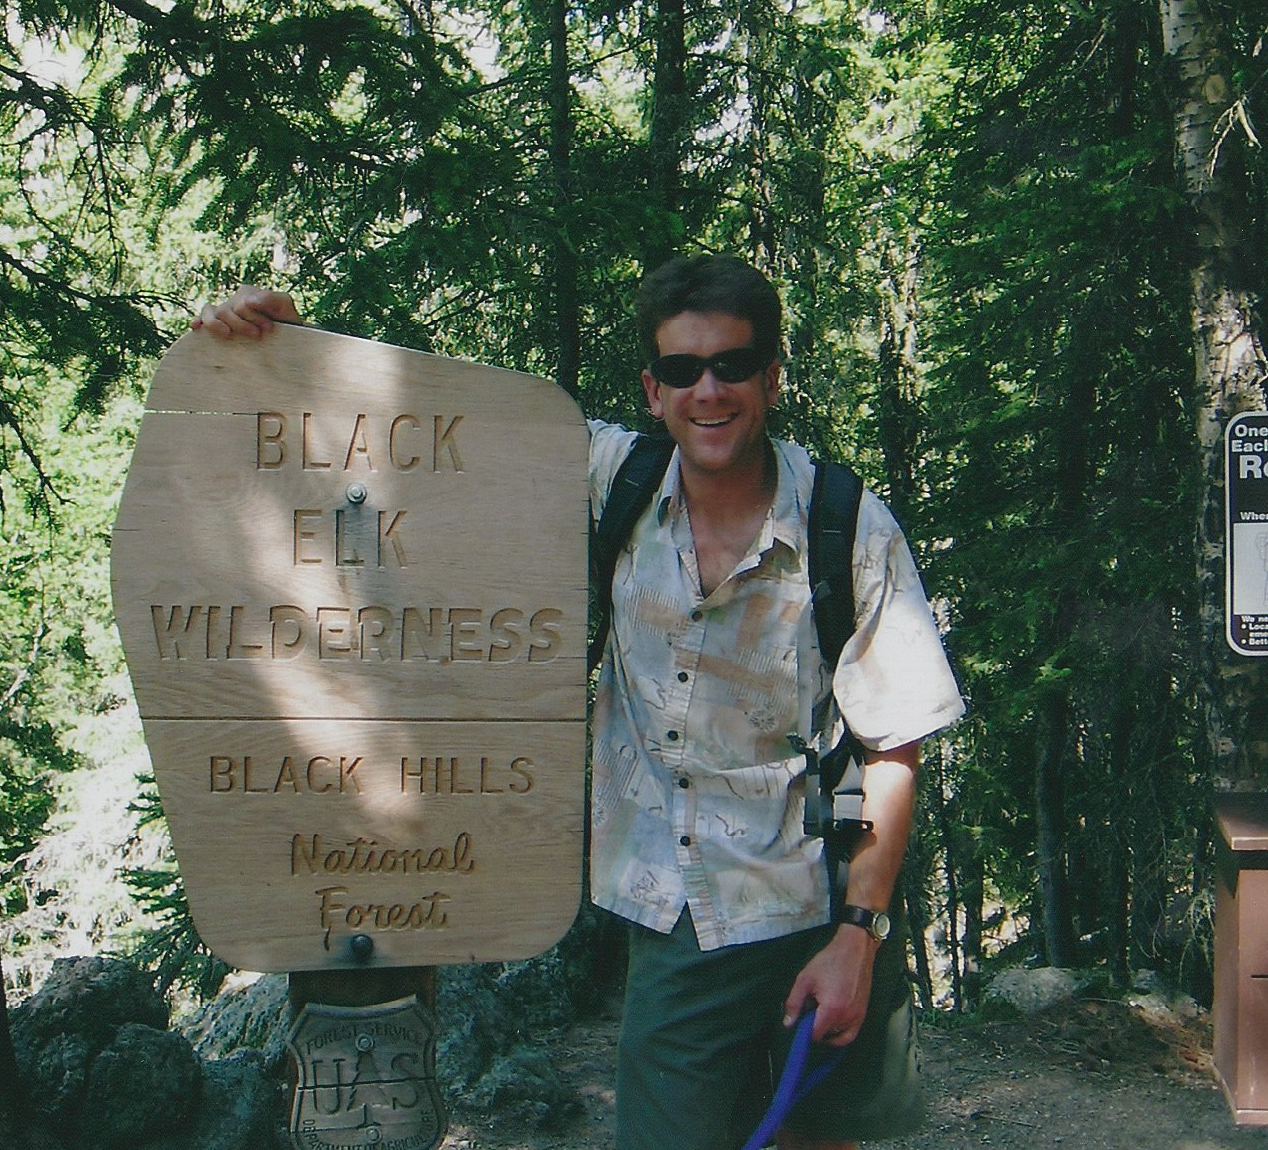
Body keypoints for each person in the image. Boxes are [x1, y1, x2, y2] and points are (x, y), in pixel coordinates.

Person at [192, 254, 964, 1150]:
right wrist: (296, 345)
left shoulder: (845, 523)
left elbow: (893, 746)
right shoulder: (614, 479)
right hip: (682, 917)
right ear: (651, 388)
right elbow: (435, 423)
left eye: (731, 365)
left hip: (825, 899)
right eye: (681, 370)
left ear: (770, 377)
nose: (707, 391)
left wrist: (857, 940)